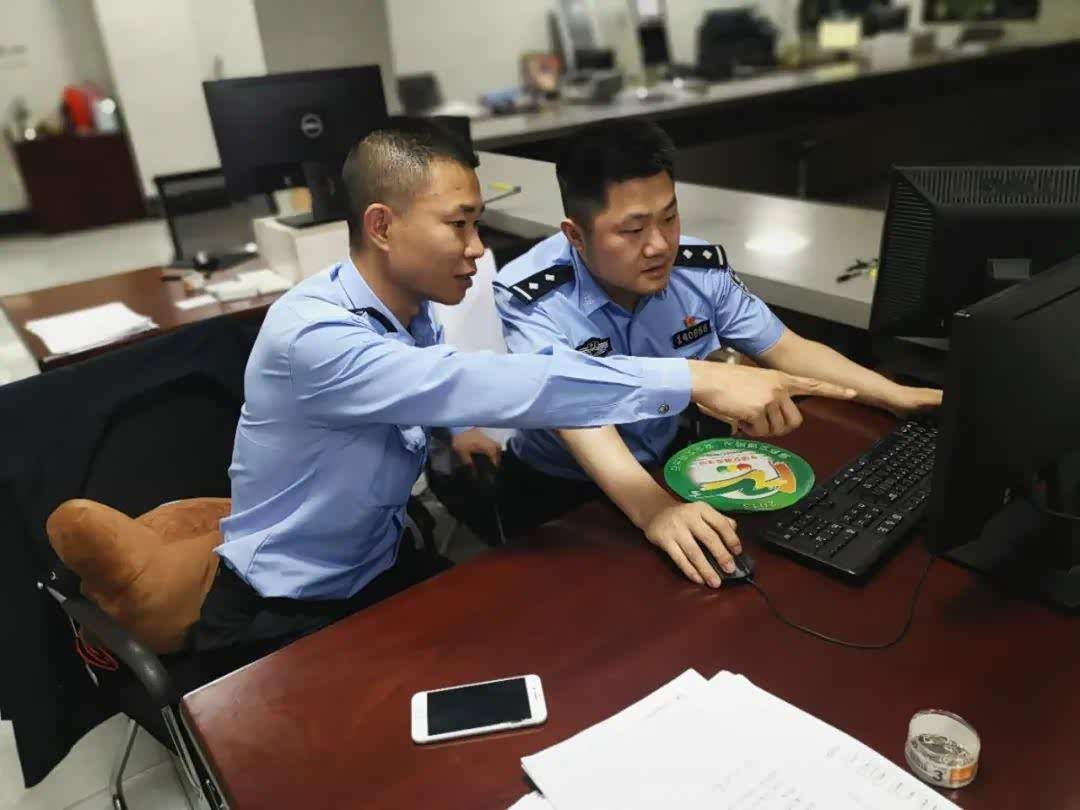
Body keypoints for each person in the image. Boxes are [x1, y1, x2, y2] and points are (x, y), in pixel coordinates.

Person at [190, 121, 857, 661]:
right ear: (383, 226)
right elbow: (496, 383)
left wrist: (453, 428)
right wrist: (696, 377)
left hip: (384, 564)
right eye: (459, 224)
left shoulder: (409, 311)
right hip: (284, 612)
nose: (479, 248)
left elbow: (419, 390)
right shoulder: (313, 335)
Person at [493, 120, 942, 589]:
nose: (660, 245)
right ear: (576, 235)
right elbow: (578, 411)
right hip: (561, 490)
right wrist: (655, 511)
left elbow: (785, 347)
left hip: (668, 468)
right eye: (633, 229)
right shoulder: (531, 297)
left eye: (669, 217)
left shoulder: (696, 269)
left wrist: (893, 394)